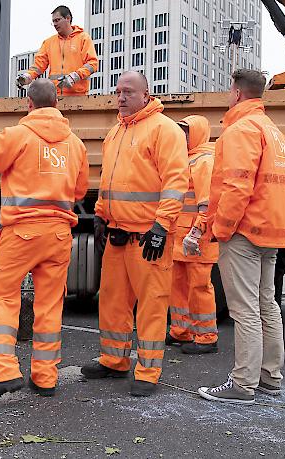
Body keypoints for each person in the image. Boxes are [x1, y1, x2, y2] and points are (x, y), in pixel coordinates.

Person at [0, 79, 89, 404]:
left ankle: (4, 373)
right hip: (59, 235)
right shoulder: (75, 144)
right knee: (49, 304)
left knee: (0, 296)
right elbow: (78, 192)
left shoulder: (17, 135)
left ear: (29, 104)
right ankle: (45, 377)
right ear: (56, 102)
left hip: (22, 234)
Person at [80, 71, 188, 397]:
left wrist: (161, 226)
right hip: (118, 235)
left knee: (152, 305)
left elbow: (175, 181)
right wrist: (100, 215)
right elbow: (107, 180)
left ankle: (148, 370)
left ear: (146, 94)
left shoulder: (164, 130)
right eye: (118, 91)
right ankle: (114, 360)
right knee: (113, 303)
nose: (121, 97)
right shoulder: (114, 132)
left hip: (148, 237)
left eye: (128, 91)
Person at [198, 69, 285, 404]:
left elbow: (237, 187)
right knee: (267, 303)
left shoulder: (240, 130)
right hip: (272, 232)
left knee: (245, 309)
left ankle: (242, 384)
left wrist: (221, 230)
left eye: (229, 91)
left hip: (243, 232)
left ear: (237, 93)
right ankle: (270, 376)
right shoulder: (277, 134)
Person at [166, 115, 220, 354]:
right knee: (177, 286)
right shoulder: (186, 159)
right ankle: (181, 332)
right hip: (181, 237)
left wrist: (196, 233)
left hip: (197, 238)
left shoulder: (204, 160)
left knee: (199, 287)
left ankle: (207, 337)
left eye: (186, 131)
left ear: (197, 133)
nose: (182, 136)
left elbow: (207, 205)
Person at [16, 5, 98, 96]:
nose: (55, 24)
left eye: (57, 20)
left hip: (79, 95)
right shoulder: (49, 42)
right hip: (55, 96)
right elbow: (38, 65)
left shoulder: (83, 38)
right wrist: (27, 76)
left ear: (68, 18)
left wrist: (75, 76)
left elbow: (92, 64)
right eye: (53, 21)